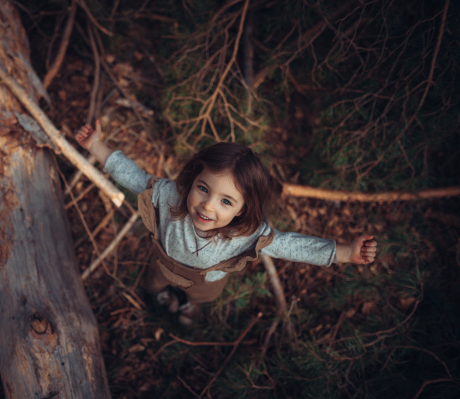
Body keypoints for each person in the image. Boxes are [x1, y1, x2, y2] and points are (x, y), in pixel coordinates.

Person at [76, 121, 377, 325]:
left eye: (226, 201)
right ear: (193, 178)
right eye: (203, 189)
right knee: (155, 281)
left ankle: (190, 305)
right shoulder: (170, 197)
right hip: (164, 262)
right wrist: (97, 146)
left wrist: (344, 252)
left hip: (207, 280)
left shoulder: (244, 234)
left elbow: (289, 245)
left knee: (202, 296)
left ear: (243, 209)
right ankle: (160, 295)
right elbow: (135, 177)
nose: (208, 205)